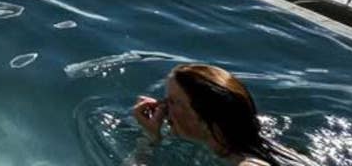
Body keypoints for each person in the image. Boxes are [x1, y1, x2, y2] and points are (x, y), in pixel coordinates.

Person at [130, 64, 316, 165]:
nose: (161, 107)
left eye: (172, 102)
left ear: (204, 118)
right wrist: (151, 137)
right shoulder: (257, 146)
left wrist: (148, 141)